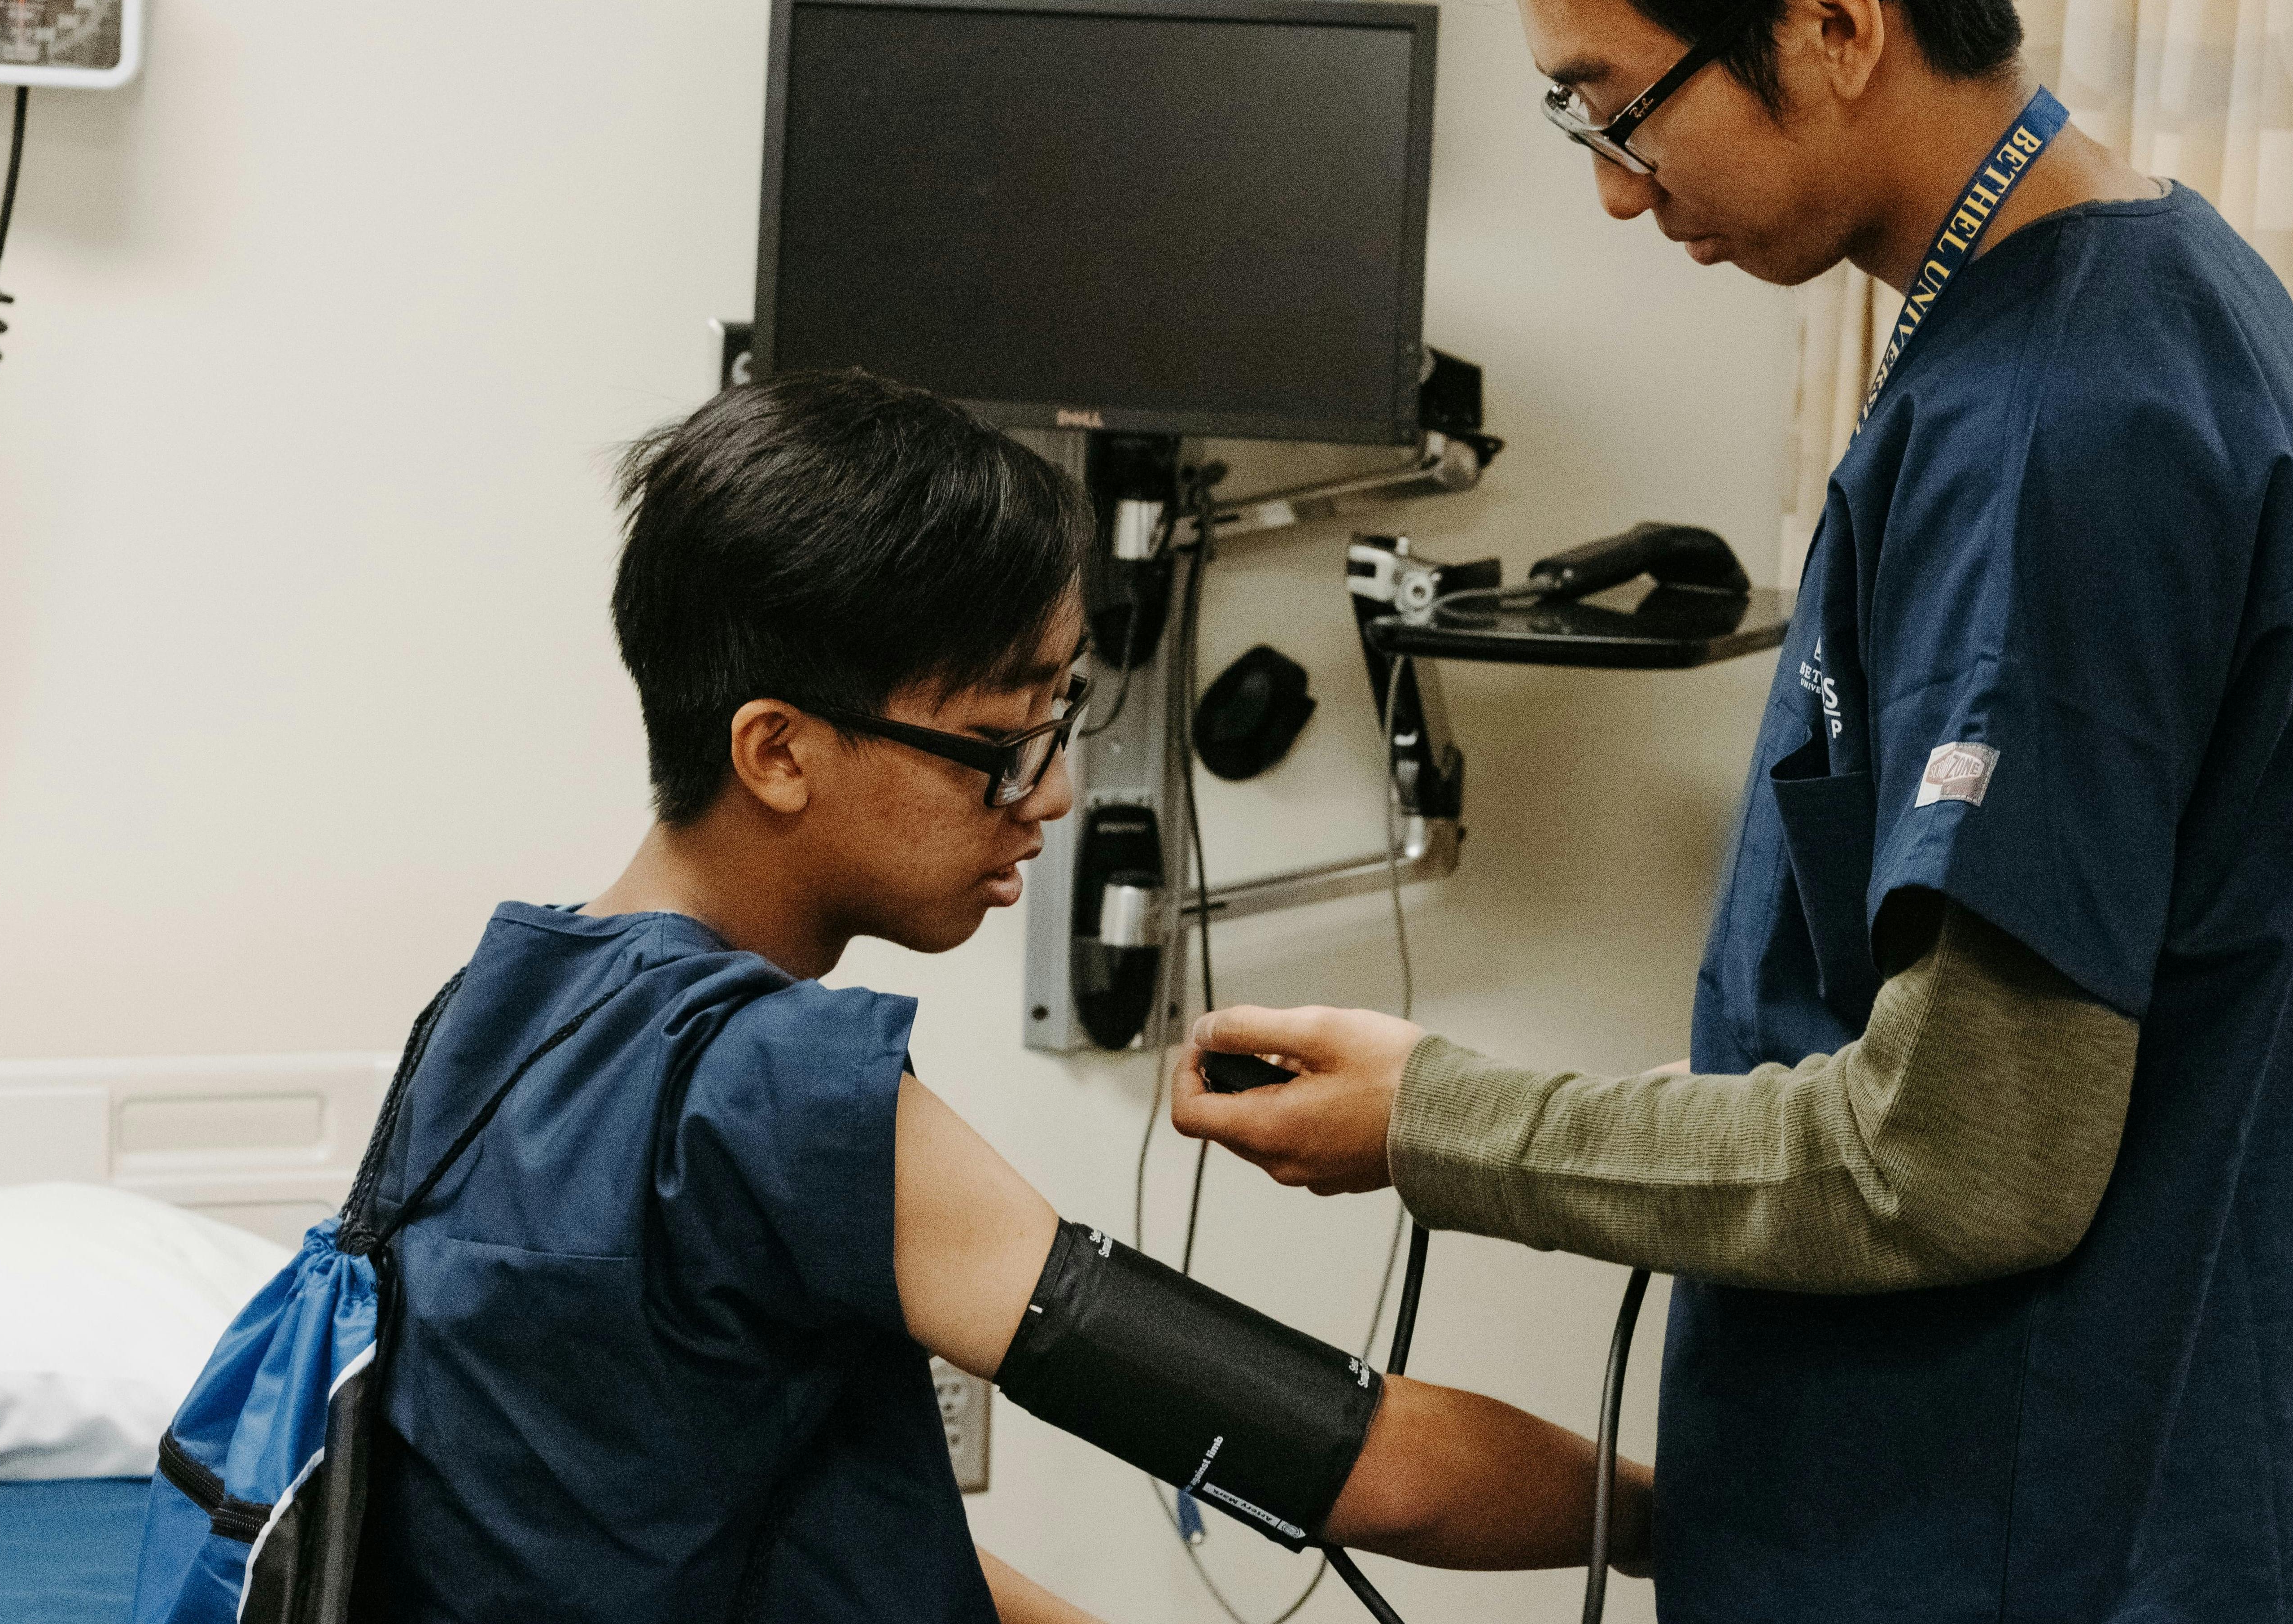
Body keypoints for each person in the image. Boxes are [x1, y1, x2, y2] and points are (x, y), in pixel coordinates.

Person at [1172, 0, 2293, 1624]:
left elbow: (1961, 1154)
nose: (1611, 187)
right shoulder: (2109, 323)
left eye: (1613, 105)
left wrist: (1442, 1120)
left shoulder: (2067, 430)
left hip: (2055, 1553)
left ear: (1833, 19)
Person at [357, 371, 1649, 1622]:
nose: (1050, 796)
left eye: (1057, 723)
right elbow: (1368, 1467)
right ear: (779, 750)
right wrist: (1694, 1520)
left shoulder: (489, 1012)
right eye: (997, 743)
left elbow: (736, 1527)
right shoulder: (773, 1088)